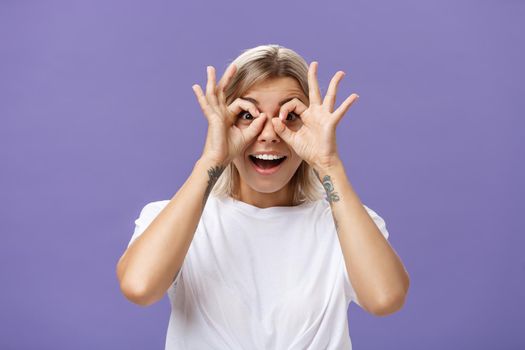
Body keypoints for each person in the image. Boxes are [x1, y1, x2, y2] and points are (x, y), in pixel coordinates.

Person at [116, 44, 410, 349]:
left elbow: (385, 299)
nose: (268, 134)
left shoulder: (345, 224)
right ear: (224, 121)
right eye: (247, 114)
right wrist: (211, 161)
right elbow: (140, 287)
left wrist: (328, 165)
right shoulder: (176, 218)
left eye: (291, 115)